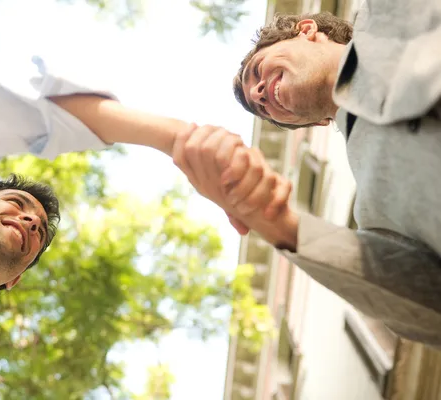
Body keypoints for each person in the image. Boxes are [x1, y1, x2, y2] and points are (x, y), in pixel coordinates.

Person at [0, 57, 287, 398]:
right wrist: (174, 139)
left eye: (38, 233)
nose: (32, 221)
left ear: (16, 278)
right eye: (17, 205)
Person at [174, 7, 441, 347]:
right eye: (261, 109)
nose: (259, 94)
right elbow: (430, 307)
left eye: (258, 70)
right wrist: (277, 224)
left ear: (307, 29)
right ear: (312, 123)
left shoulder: (389, 12)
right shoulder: (373, 215)